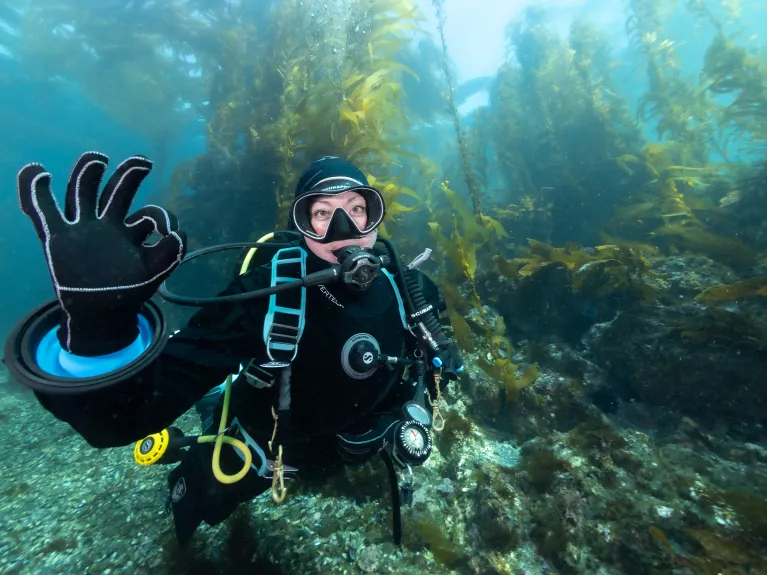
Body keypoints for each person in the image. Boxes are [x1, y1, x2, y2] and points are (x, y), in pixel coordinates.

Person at [4, 151, 463, 545]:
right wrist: (99, 331)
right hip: (262, 451)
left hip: (356, 445)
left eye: (357, 208)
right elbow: (117, 423)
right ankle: (203, 429)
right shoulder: (267, 294)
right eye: (321, 214)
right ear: (301, 228)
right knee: (194, 510)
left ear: (374, 214)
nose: (344, 227)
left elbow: (435, 356)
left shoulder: (411, 290)